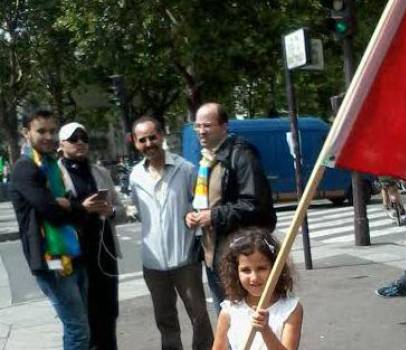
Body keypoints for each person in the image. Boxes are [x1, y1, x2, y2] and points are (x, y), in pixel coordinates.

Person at [10, 110, 93, 349]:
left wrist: (68, 205)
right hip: (51, 260)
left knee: (80, 326)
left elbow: (62, 205)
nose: (48, 136)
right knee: (78, 329)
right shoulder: (25, 168)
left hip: (72, 254)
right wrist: (74, 206)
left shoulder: (51, 167)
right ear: (26, 133)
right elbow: (52, 211)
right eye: (41, 131)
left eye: (51, 131)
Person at [129, 116, 213, 350]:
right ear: (135, 143)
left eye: (152, 137)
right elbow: (137, 210)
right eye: (142, 139)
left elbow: (200, 204)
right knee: (165, 320)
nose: (148, 143)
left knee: (198, 316)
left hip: (184, 259)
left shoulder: (185, 169)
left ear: (161, 136)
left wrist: (192, 215)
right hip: (153, 263)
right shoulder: (135, 175)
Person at [186, 102, 277, 313]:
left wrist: (214, 216)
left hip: (239, 255)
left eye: (207, 125)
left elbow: (256, 205)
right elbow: (205, 202)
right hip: (213, 253)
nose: (201, 131)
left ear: (224, 126)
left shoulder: (241, 155)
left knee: (244, 318)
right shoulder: (207, 159)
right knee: (227, 318)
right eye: (197, 126)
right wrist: (191, 216)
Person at [57, 122, 127, 350]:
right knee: (82, 320)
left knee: (108, 314)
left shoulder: (101, 172)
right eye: (73, 138)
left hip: (105, 253)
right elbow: (51, 214)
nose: (80, 142)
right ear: (61, 144)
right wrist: (81, 207)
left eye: (84, 138)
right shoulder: (54, 174)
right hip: (75, 256)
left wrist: (111, 211)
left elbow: (121, 210)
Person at [212, 227, 303, 350]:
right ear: (235, 272)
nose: (254, 278)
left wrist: (265, 330)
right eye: (245, 270)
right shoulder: (229, 311)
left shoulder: (290, 310)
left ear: (276, 269)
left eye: (261, 268)